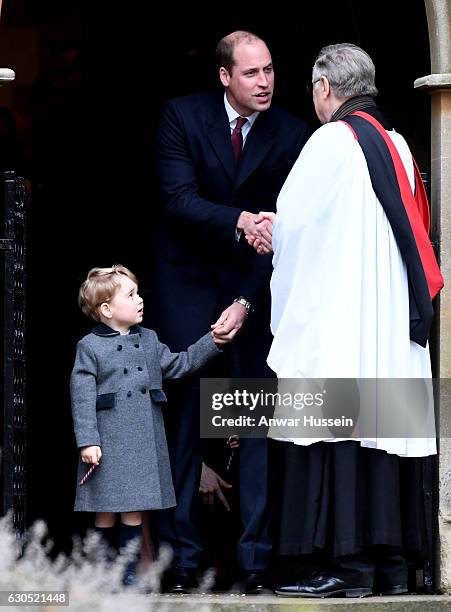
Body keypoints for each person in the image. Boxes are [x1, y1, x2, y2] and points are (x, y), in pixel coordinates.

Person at [247, 43, 443, 597]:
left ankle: (340, 567)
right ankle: (388, 566)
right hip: (383, 317)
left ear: (325, 88)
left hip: (343, 316)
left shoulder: (333, 139)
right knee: (384, 431)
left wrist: (269, 228)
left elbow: (299, 228)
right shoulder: (398, 144)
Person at [149, 30, 310, 593]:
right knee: (186, 421)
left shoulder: (292, 132)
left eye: (269, 70)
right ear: (224, 76)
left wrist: (246, 299)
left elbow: (289, 227)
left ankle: (258, 564)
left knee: (255, 419)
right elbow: (177, 198)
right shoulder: (182, 116)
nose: (264, 82)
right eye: (251, 73)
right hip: (185, 281)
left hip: (255, 284)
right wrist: (242, 219)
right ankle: (181, 564)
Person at [70, 264, 227, 586]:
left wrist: (213, 341)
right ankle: (103, 574)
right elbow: (82, 397)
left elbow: (180, 365)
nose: (140, 299)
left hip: (142, 439)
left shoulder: (150, 340)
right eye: (131, 295)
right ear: (107, 309)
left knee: (134, 511)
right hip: (108, 442)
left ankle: (128, 576)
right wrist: (88, 441)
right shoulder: (89, 347)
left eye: (138, 292)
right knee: (105, 510)